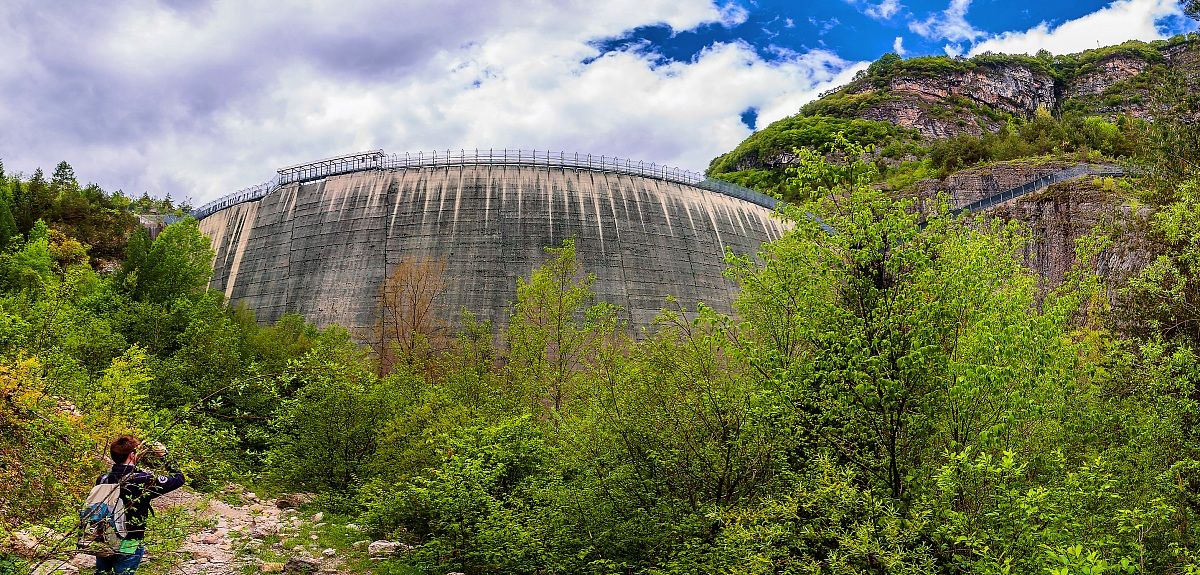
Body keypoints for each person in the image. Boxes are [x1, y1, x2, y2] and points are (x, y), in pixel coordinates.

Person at [94, 435, 186, 575]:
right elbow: (179, 478)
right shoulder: (143, 480)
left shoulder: (103, 479)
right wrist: (164, 456)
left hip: (104, 540)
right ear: (132, 455)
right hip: (129, 544)